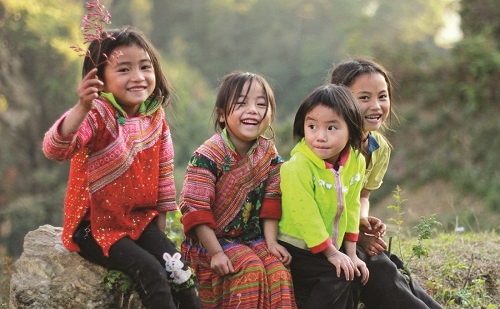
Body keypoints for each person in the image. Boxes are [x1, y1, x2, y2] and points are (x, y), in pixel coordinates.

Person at [42, 26, 201, 309]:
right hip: (94, 226)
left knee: (179, 271)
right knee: (151, 273)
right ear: (100, 79)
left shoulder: (155, 117)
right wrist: (81, 106)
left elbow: (165, 179)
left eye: (144, 67)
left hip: (139, 220)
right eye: (124, 70)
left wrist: (159, 237)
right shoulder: (97, 113)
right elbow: (55, 149)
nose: (138, 77)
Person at [330, 57, 442, 308]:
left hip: (349, 233)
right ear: (339, 100)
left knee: (392, 268)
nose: (376, 106)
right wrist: (357, 236)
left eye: (382, 96)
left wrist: (363, 222)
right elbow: (321, 207)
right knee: (382, 270)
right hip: (321, 238)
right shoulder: (328, 146)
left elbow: (362, 197)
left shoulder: (377, 147)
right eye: (364, 97)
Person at [179, 71, 296, 309]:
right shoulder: (208, 155)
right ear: (222, 115)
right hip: (212, 241)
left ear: (270, 114)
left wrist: (272, 243)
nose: (252, 110)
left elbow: (273, 200)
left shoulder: (269, 153)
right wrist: (216, 253)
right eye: (241, 103)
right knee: (249, 268)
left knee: (278, 269)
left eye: (261, 104)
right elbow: (196, 209)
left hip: (253, 238)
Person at [277, 84, 369, 309]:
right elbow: (305, 216)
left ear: (352, 129)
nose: (320, 136)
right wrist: (331, 253)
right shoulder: (297, 167)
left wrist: (351, 253)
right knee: (336, 274)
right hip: (297, 247)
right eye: (312, 126)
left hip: (329, 245)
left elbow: (352, 205)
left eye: (331, 128)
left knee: (353, 271)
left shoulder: (356, 162)